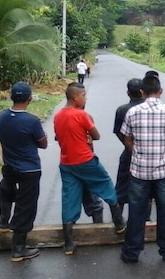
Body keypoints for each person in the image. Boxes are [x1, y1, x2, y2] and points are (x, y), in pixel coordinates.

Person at [54, 82, 126, 256]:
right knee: (106, 185)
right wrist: (87, 136)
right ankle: (119, 223)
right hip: (85, 160)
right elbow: (96, 135)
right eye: (84, 95)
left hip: (67, 163)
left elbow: (58, 137)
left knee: (69, 198)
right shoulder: (81, 114)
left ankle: (68, 243)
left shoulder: (58, 116)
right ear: (75, 97)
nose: (86, 98)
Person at [120, 74, 165, 263]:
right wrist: (164, 155)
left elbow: (127, 140)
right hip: (163, 171)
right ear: (160, 91)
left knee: (136, 212)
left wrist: (138, 154)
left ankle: (131, 253)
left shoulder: (132, 112)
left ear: (142, 92)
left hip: (139, 172)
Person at [0, 82, 48, 262]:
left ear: (11, 97)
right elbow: (43, 144)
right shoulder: (32, 120)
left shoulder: (3, 116)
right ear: (29, 99)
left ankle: (3, 221)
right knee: (25, 206)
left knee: (6, 189)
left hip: (10, 165)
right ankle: (18, 249)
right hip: (29, 169)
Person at [113, 78, 146, 214]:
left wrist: (128, 144)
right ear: (143, 92)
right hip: (148, 153)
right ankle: (145, 218)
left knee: (122, 185)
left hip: (129, 151)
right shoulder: (149, 109)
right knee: (147, 186)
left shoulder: (122, 110)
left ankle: (119, 217)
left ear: (128, 93)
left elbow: (118, 132)